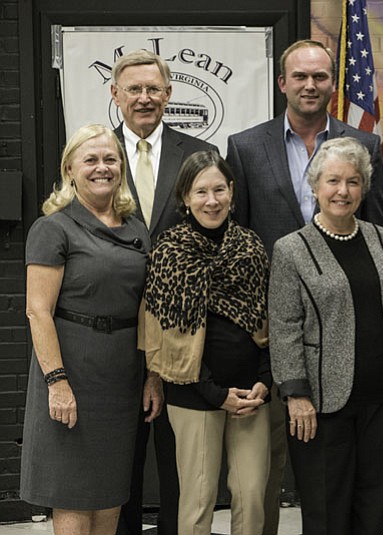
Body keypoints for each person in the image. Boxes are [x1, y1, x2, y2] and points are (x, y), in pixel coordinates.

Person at [226, 39, 383, 533]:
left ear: (332, 84)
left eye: (320, 77)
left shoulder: (365, 146)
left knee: (350, 477)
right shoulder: (245, 147)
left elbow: (378, 237)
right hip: (275, 333)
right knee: (274, 464)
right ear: (283, 83)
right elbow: (241, 242)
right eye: (300, 76)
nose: (310, 85)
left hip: (350, 335)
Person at [268, 137, 383, 535]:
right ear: (315, 187)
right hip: (321, 404)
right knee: (329, 509)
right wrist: (295, 394)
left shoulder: (382, 239)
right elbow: (283, 326)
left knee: (381, 509)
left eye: (352, 182)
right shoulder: (291, 249)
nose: (342, 191)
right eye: (333, 181)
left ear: (363, 188)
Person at [21, 124, 152, 535]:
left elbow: (146, 308)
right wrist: (57, 382)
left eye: (110, 159)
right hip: (71, 373)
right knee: (74, 493)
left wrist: (152, 376)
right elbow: (37, 311)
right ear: (70, 169)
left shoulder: (135, 227)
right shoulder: (53, 228)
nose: (102, 168)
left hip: (121, 376)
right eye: (90, 160)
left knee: (110, 491)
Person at [110, 49, 218, 535]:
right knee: (120, 463)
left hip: (180, 334)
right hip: (112, 332)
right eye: (133, 89)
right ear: (115, 95)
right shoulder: (94, 155)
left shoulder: (198, 155)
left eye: (154, 89)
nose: (144, 98)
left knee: (180, 464)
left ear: (169, 94)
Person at [139, 150, 271, 535]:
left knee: (252, 495)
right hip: (193, 394)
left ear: (232, 191)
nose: (211, 201)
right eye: (200, 192)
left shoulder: (252, 248)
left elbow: (267, 323)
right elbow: (159, 336)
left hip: (252, 394)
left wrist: (266, 379)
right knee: (197, 500)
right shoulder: (169, 253)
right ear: (185, 197)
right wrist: (214, 393)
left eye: (219, 190)